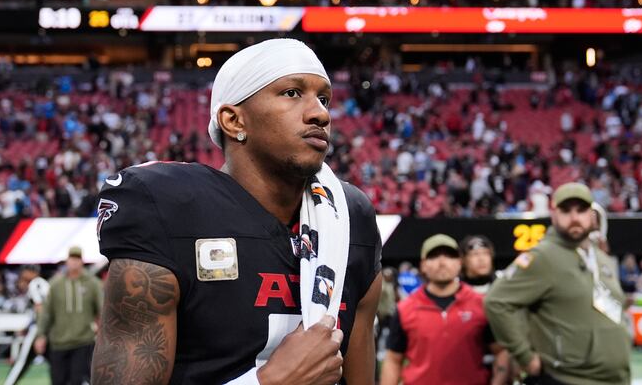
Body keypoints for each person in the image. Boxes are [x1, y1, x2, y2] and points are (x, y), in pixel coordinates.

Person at [93, 38, 382, 384]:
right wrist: (268, 382)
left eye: (323, 98)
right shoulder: (167, 206)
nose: (320, 113)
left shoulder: (349, 219)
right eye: (291, 93)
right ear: (233, 120)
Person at [485, 182, 631, 385]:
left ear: (591, 214)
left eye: (581, 210)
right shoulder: (543, 256)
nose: (574, 218)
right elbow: (496, 301)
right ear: (554, 215)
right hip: (567, 379)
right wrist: (525, 357)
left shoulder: (601, 259)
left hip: (613, 378)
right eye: (566, 210)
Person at [380, 234, 507, 385]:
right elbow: (393, 360)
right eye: (434, 257)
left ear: (460, 262)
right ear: (423, 265)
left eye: (449, 256)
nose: (442, 262)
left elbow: (501, 351)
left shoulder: (480, 304)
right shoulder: (406, 309)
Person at [35, 247, 103, 385]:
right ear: (67, 261)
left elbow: (101, 311)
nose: (74, 262)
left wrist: (104, 334)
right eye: (72, 259)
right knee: (58, 380)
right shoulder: (55, 284)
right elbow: (47, 312)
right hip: (59, 342)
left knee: (78, 380)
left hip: (83, 341)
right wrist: (41, 335)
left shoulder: (93, 283)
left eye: (77, 259)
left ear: (82, 261)